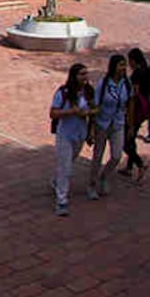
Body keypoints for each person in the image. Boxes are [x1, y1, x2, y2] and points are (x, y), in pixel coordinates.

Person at [51, 63, 97, 216]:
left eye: (86, 73)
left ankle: (57, 181)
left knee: (70, 161)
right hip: (65, 134)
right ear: (74, 76)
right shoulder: (63, 92)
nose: (85, 77)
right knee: (66, 168)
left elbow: (95, 109)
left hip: (80, 134)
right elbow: (53, 113)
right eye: (81, 74)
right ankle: (61, 200)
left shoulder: (88, 92)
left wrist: (88, 117)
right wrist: (71, 111)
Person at [89, 54, 131, 200]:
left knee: (116, 155)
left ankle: (104, 176)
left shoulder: (126, 84)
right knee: (98, 155)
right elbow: (95, 105)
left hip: (118, 123)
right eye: (121, 65)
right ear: (113, 67)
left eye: (125, 65)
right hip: (102, 123)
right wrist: (92, 128)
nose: (123, 68)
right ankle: (92, 184)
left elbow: (130, 102)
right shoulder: (104, 84)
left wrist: (130, 124)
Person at [119, 48, 150, 181]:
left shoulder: (137, 73)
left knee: (125, 141)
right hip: (144, 109)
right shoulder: (147, 70)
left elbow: (135, 92)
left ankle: (139, 163)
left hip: (135, 110)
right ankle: (129, 167)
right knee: (131, 139)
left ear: (133, 60)